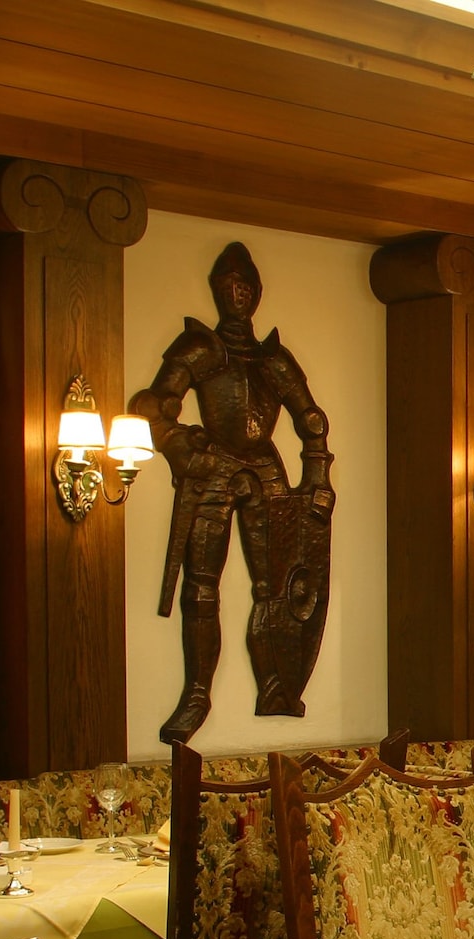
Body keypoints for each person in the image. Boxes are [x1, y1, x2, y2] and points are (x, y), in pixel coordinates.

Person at [130, 242, 334, 742]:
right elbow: (154, 405)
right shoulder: (199, 348)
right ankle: (197, 694)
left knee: (279, 587)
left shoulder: (274, 359)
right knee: (201, 587)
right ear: (218, 291)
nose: (238, 295)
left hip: (265, 467)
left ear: (257, 293)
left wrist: (318, 477)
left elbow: (311, 420)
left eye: (246, 287)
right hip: (216, 464)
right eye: (230, 287)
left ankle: (276, 684)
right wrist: (179, 444)